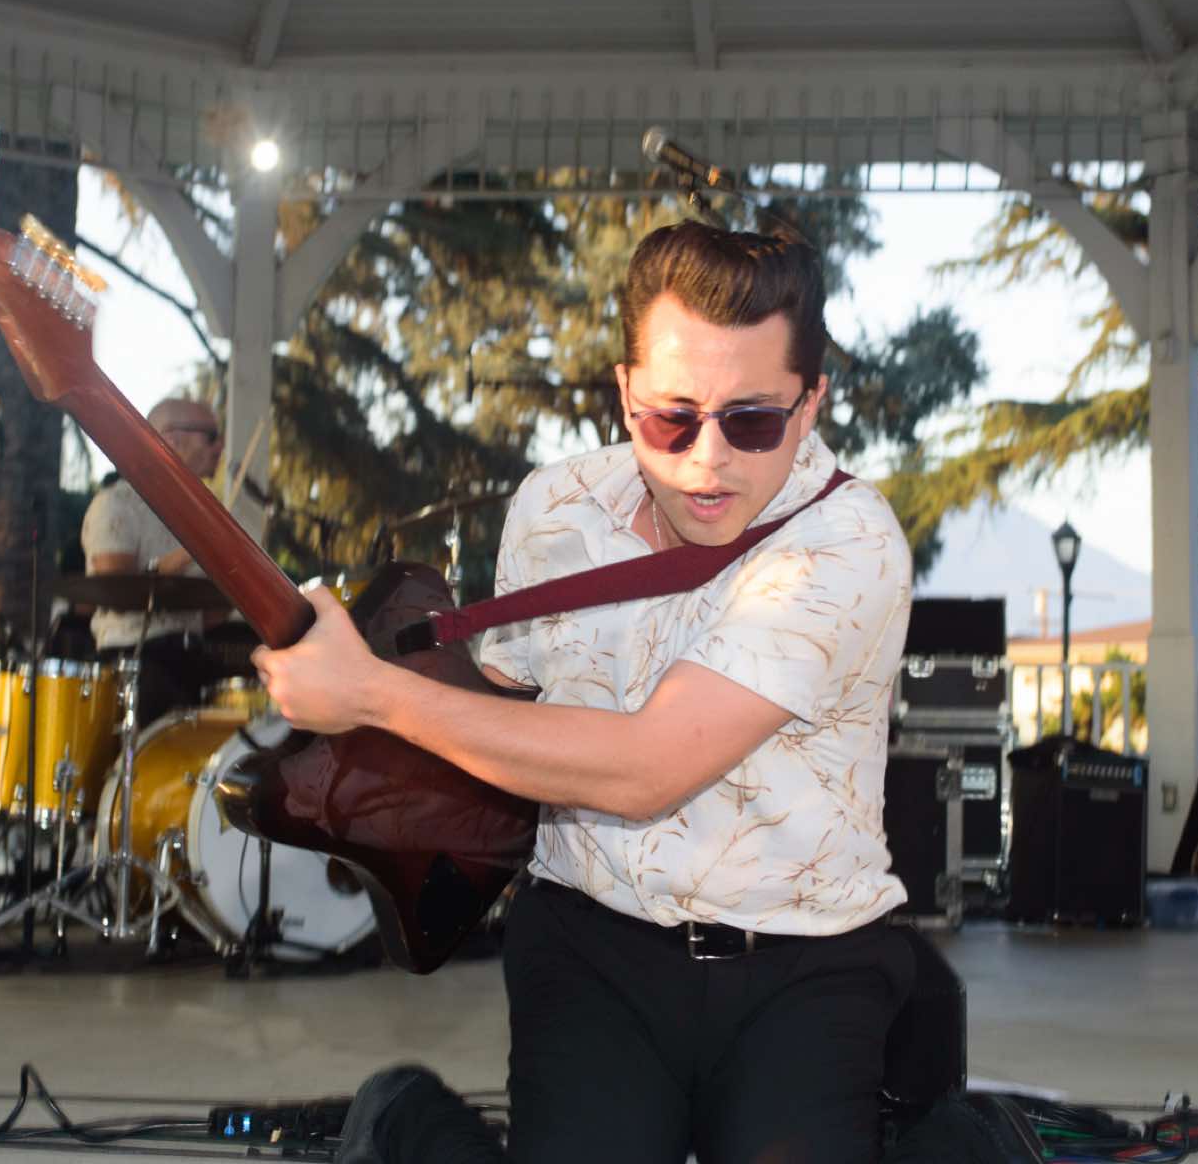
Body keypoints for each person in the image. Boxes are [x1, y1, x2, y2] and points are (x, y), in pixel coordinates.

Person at [257, 223, 1003, 1164]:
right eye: (671, 419)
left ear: (811, 403)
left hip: (804, 961)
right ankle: (404, 1118)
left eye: (753, 421)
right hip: (590, 948)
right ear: (624, 393)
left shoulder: (847, 542)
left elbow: (651, 767)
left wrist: (368, 694)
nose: (708, 460)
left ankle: (976, 1143)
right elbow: (502, 707)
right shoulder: (554, 508)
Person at [78, 396, 231, 718]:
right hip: (132, 664)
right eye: (211, 436)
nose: (221, 447)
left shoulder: (199, 514)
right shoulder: (117, 503)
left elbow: (210, 615)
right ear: (172, 439)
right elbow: (117, 592)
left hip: (192, 658)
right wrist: (193, 549)